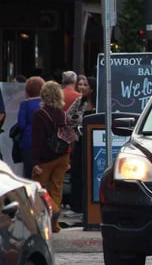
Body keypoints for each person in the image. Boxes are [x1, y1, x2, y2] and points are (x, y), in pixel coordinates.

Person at [31, 81, 71, 233]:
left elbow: (37, 141)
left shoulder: (40, 114)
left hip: (45, 159)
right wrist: (69, 157)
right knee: (56, 189)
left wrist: (35, 162)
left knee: (38, 189)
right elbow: (68, 136)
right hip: (63, 156)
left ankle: (51, 212)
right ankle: (54, 225)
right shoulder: (62, 113)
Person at [65, 75, 96, 216]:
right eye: (80, 84)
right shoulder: (79, 101)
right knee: (77, 172)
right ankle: (77, 206)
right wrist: (77, 123)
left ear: (92, 88)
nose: (81, 87)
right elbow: (68, 117)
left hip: (95, 143)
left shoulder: (99, 101)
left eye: (85, 85)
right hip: (80, 141)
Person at [15, 76, 44, 178]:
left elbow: (21, 125)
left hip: (28, 142)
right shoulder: (44, 104)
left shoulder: (24, 104)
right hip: (43, 142)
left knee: (28, 172)